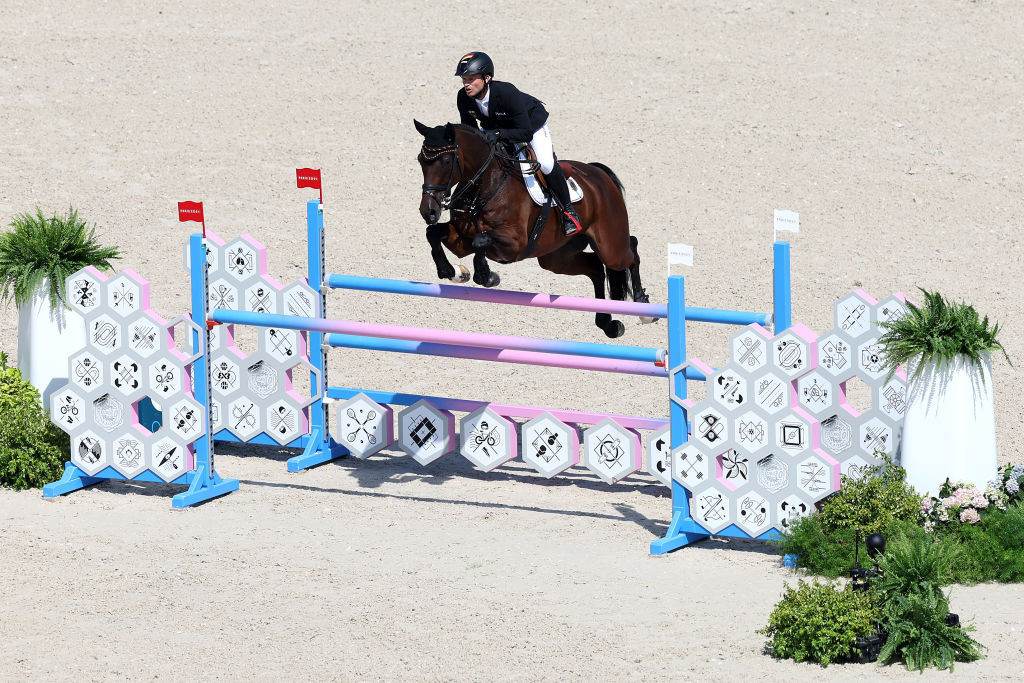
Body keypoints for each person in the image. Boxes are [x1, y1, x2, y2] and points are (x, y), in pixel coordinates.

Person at [454, 51, 582, 236]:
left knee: (545, 163)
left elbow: (524, 132)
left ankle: (568, 212)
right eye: (464, 79)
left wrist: (497, 134)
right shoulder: (463, 98)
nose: (466, 84)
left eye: (471, 79)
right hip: (498, 127)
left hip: (531, 125)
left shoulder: (507, 93)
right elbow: (471, 131)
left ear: (487, 77)